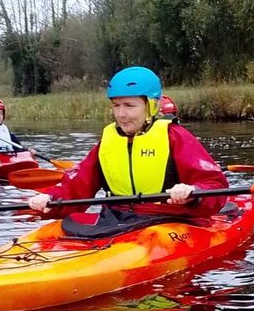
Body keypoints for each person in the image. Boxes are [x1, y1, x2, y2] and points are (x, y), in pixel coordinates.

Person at [28, 66, 228, 222]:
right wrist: (51, 200)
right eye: (116, 105)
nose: (121, 114)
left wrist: (193, 193)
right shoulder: (107, 141)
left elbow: (214, 184)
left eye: (130, 106)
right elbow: (76, 186)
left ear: (151, 106)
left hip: (169, 218)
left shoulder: (175, 137)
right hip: (118, 218)